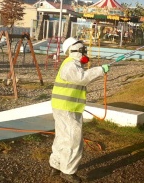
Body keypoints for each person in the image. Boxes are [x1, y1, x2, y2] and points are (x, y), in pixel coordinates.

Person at [49, 37, 110, 183]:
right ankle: (68, 172)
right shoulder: (71, 66)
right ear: (73, 50)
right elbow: (82, 78)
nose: (84, 52)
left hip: (64, 106)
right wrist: (100, 70)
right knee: (73, 139)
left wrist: (89, 65)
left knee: (63, 137)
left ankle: (56, 166)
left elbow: (79, 73)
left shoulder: (71, 64)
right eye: (82, 50)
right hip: (67, 108)